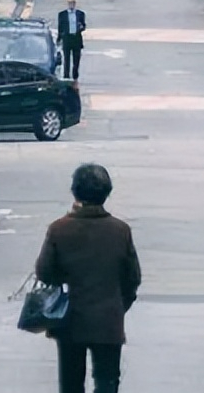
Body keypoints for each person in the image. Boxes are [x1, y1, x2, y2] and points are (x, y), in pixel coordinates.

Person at [35, 164, 141, 393]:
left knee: (71, 382)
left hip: (69, 319)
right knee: (107, 380)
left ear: (75, 191)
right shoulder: (120, 230)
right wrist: (119, 305)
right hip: (108, 319)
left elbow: (44, 272)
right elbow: (132, 277)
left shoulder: (59, 229)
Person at [57, 0, 86, 81]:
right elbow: (60, 27)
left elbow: (84, 26)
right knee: (66, 58)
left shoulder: (80, 14)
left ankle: (75, 75)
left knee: (76, 58)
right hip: (67, 38)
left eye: (73, 3)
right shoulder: (62, 14)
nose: (71, 5)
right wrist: (59, 38)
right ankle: (66, 75)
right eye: (70, 3)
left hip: (76, 38)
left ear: (75, 4)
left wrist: (81, 27)